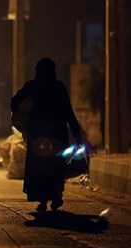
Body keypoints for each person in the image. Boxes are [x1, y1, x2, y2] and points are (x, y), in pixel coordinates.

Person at [10, 57, 82, 212]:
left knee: (39, 167)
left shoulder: (32, 86)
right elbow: (68, 112)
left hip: (38, 136)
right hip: (57, 136)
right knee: (56, 166)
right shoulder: (58, 87)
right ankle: (56, 196)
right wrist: (77, 133)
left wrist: (24, 106)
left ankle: (42, 200)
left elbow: (14, 102)